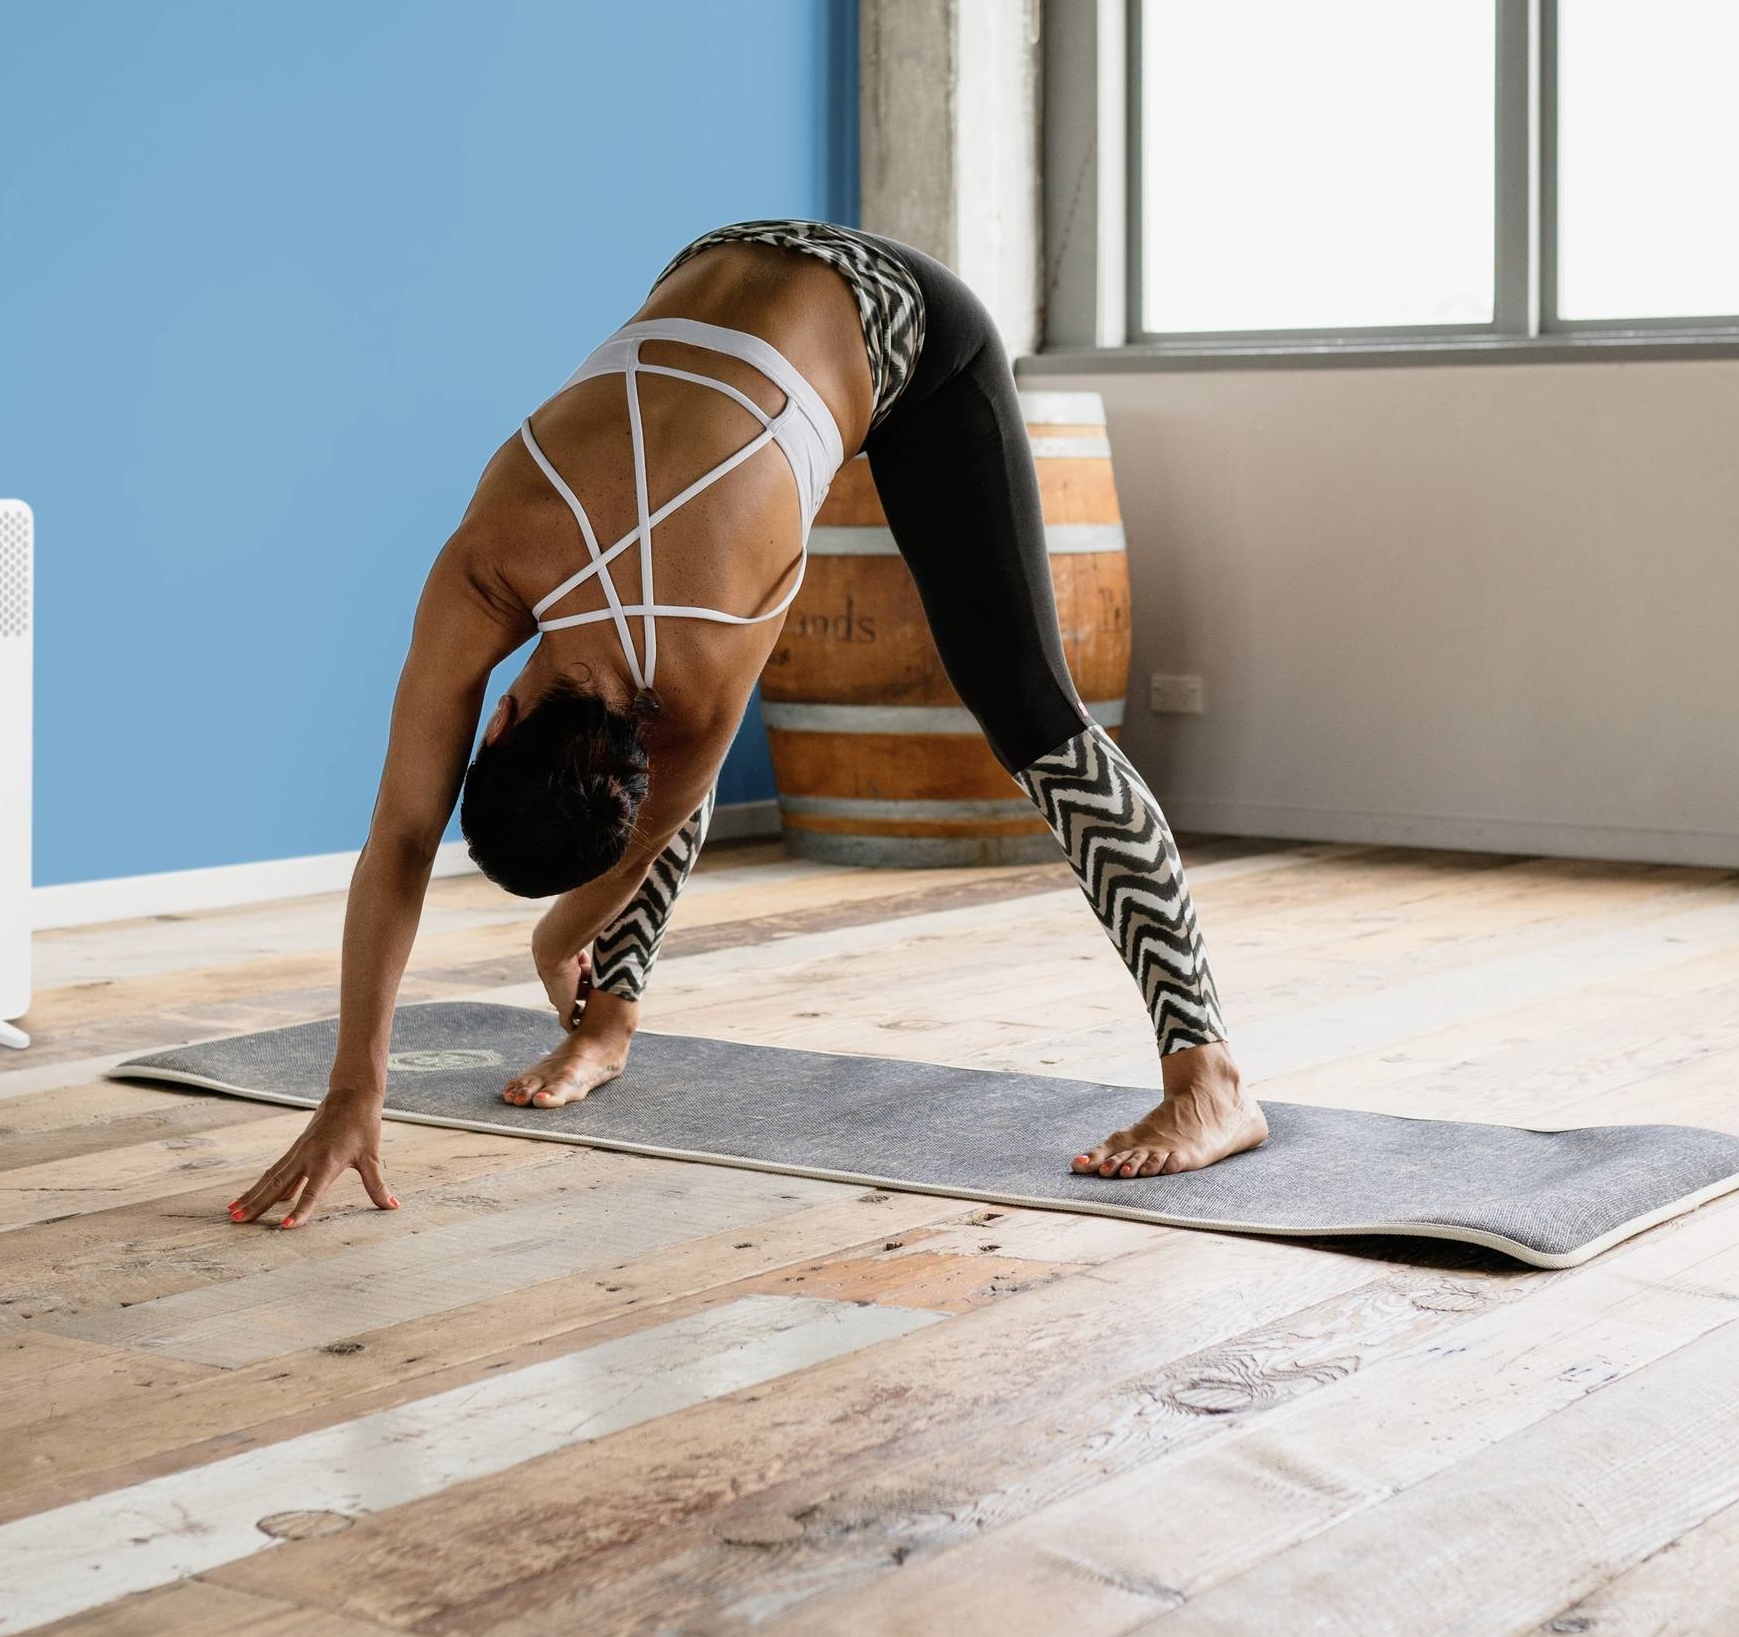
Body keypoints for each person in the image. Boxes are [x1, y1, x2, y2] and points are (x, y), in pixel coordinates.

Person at [228, 221, 1266, 1230]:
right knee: (700, 760)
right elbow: (419, 835)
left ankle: (1211, 1076)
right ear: (499, 722)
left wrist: (556, 940)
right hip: (729, 259)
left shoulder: (707, 644)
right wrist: (352, 1090)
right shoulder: (491, 561)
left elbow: (601, 830)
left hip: (909, 327)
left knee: (1035, 717)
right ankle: (609, 1026)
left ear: (496, 713)